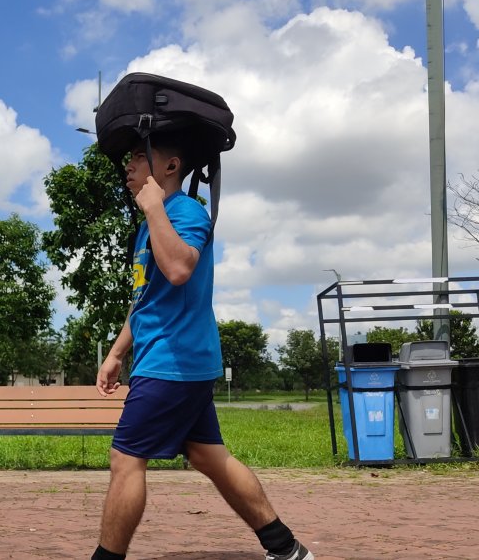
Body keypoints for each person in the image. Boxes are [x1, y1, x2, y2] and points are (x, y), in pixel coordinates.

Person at [91, 132, 313, 560]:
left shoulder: (186, 210)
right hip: (168, 358)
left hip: (173, 362)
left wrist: (155, 207)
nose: (129, 164)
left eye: (141, 155)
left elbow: (178, 269)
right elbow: (145, 300)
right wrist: (117, 353)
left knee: (125, 460)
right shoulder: (147, 226)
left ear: (170, 167)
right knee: (210, 456)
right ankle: (285, 548)